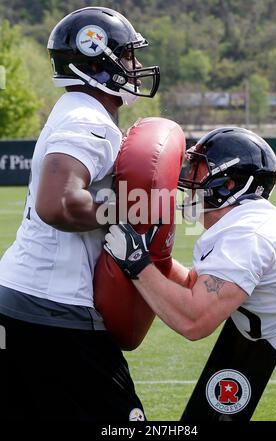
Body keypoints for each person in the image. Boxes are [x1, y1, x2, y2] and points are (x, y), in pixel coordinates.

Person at [0, 6, 159, 421]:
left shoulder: (75, 109)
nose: (135, 66)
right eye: (127, 56)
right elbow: (60, 203)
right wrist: (137, 207)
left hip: (19, 296)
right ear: (98, 61)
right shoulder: (91, 119)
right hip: (54, 310)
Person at [104, 126, 276, 388]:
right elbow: (193, 286)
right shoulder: (250, 224)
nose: (188, 177)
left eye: (199, 168)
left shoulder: (246, 235)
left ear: (229, 184)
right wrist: (155, 256)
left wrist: (136, 262)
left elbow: (194, 320)